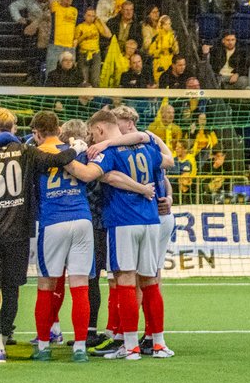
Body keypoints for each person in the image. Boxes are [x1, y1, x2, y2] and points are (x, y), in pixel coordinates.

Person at [29, 111, 152, 363]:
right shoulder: (83, 151)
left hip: (53, 221)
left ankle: (43, 345)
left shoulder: (36, 153)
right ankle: (80, 348)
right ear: (59, 129)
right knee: (80, 286)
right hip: (83, 220)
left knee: (46, 286)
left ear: (38, 133)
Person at [86, 108, 173, 360]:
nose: (93, 139)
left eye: (93, 134)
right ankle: (158, 343)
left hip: (123, 221)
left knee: (124, 280)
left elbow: (105, 175)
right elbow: (164, 165)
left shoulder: (107, 151)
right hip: (151, 220)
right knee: (150, 281)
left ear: (100, 129)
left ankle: (131, 345)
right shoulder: (148, 147)